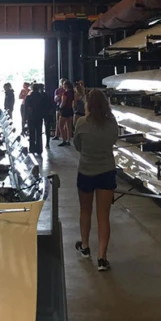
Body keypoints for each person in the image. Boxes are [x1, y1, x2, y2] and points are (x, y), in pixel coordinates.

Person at [73, 90, 118, 271]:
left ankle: (85, 246)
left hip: (86, 171)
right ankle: (102, 257)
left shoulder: (82, 123)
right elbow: (113, 141)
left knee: (85, 211)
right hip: (106, 171)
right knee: (103, 216)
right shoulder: (112, 123)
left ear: (88, 104)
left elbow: (77, 145)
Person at [24, 83, 50, 155]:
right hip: (39, 117)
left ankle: (32, 148)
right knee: (39, 133)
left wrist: (25, 118)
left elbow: (26, 109)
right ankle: (39, 149)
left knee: (31, 133)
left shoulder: (29, 97)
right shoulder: (42, 97)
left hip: (31, 117)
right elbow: (45, 108)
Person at [58, 81, 75, 147]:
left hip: (65, 110)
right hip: (70, 110)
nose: (63, 86)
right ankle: (68, 140)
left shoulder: (65, 93)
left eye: (63, 85)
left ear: (66, 85)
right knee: (69, 126)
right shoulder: (73, 93)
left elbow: (63, 103)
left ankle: (64, 140)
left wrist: (60, 107)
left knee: (60, 125)